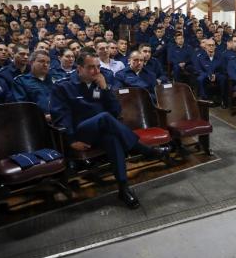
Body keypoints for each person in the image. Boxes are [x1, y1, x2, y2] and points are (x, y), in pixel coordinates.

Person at [50, 50, 171, 209]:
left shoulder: (98, 84)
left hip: (102, 130)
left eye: (98, 67)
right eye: (91, 67)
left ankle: (123, 188)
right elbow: (61, 116)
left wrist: (105, 89)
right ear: (79, 68)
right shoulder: (63, 86)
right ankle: (143, 149)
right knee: (105, 117)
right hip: (81, 132)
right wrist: (71, 140)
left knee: (113, 138)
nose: (96, 71)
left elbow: (116, 111)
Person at [12, 50, 54, 118]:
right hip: (36, 121)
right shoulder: (21, 81)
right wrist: (42, 117)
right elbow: (22, 106)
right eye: (41, 61)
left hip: (58, 120)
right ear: (31, 62)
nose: (45, 65)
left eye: (48, 62)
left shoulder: (54, 79)